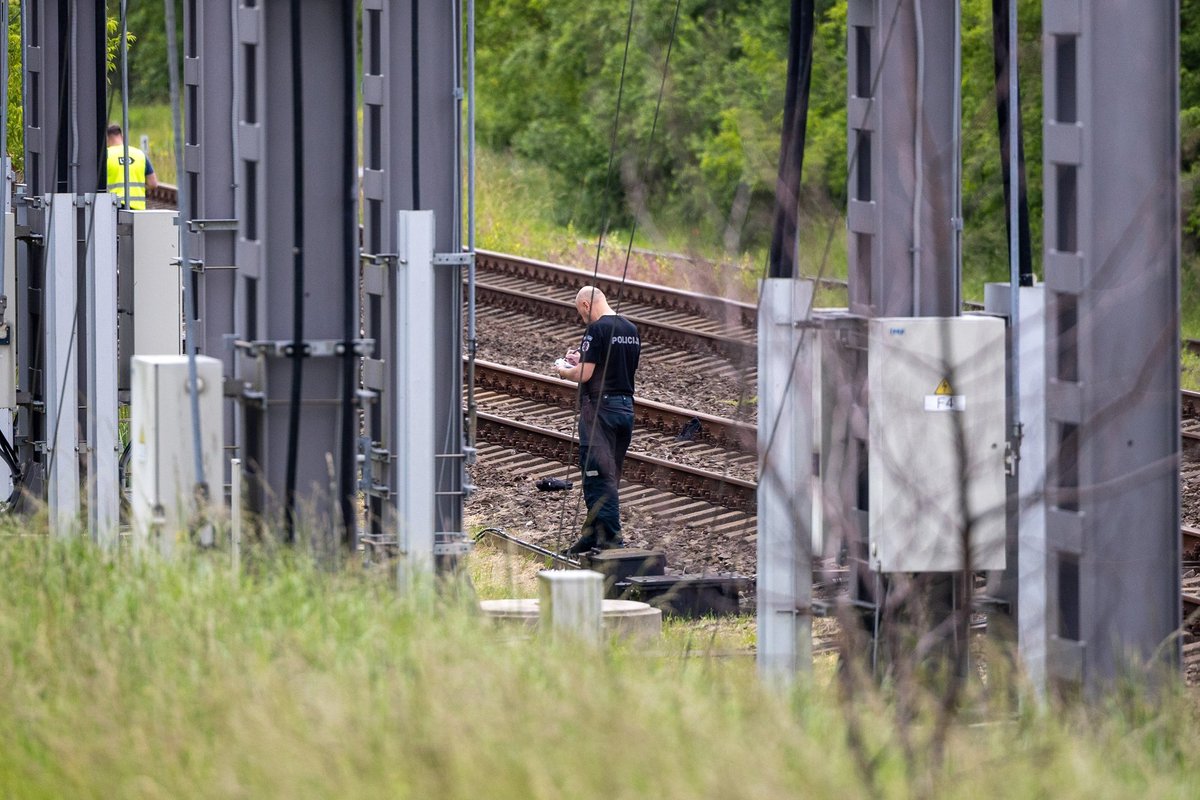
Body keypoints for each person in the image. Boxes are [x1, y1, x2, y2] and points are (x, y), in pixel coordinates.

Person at [553, 286, 641, 554]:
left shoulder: (596, 330)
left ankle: (612, 542)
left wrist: (564, 369)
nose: (583, 318)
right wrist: (583, 358)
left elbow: (584, 376)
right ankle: (592, 536)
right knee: (607, 476)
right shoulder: (631, 329)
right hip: (625, 409)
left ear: (585, 305)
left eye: (581, 313)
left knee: (596, 475)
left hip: (600, 412)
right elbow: (614, 365)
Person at [105, 124, 158, 210]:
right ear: (122, 136)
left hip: (114, 207)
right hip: (138, 210)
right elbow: (153, 183)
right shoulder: (140, 154)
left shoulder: (106, 154)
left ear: (107, 138)